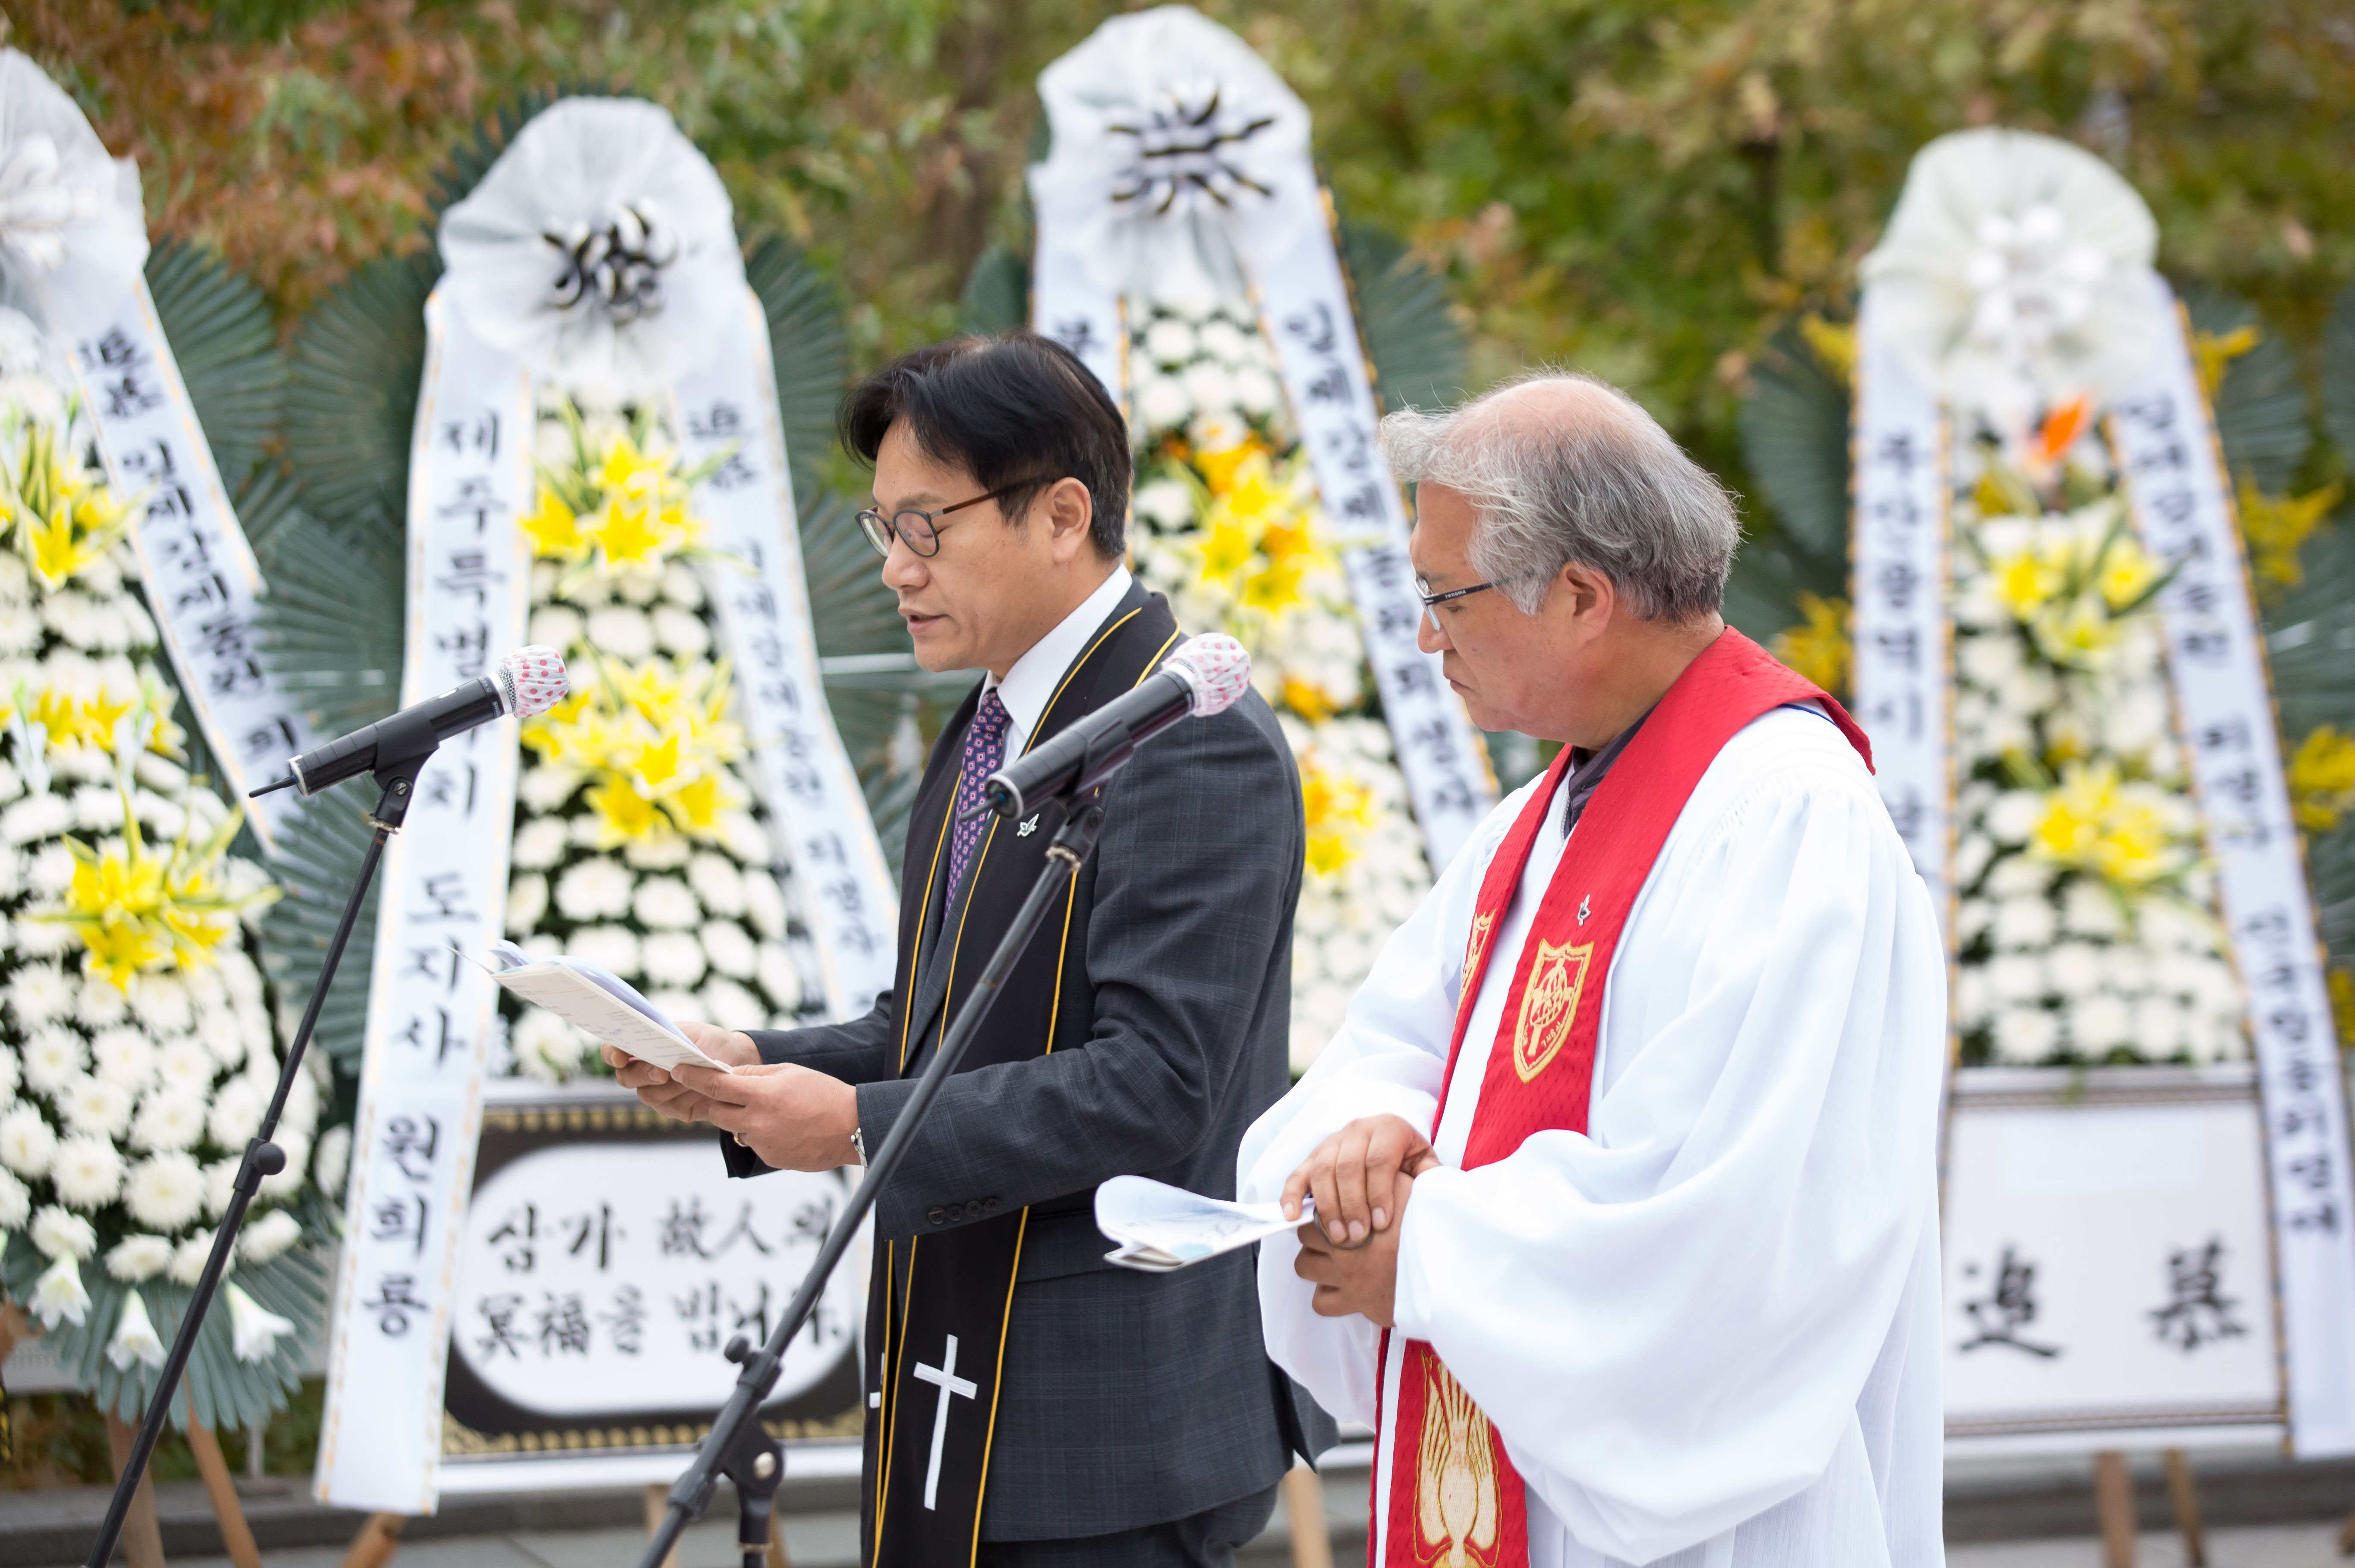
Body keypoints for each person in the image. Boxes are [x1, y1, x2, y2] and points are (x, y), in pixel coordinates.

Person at [608, 330, 1328, 1566]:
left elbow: (1156, 1084)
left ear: (1061, 515)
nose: (895, 569)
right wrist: (746, 1064)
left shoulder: (1186, 735)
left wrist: (852, 1128)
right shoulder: (1000, 718)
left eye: (926, 530)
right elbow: (944, 1022)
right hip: (960, 1377)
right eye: (880, 529)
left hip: (1104, 1425)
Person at [1240, 372, 1945, 1567]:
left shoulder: (1788, 815)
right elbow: (1407, 1049)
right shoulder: (1542, 816)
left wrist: (1426, 1248)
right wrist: (1368, 1137)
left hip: (1707, 1520)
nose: (1426, 635)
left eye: (1444, 595)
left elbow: (1728, 1210)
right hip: (1524, 1461)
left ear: (1580, 596)